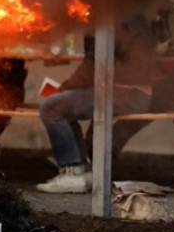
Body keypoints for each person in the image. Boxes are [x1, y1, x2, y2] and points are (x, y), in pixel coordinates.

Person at [36, 14, 162, 194]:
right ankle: (82, 169)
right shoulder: (131, 14)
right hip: (135, 93)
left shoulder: (106, 20)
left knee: (51, 107)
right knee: (62, 105)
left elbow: (91, 69)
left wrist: (63, 89)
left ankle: (71, 171)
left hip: (124, 93)